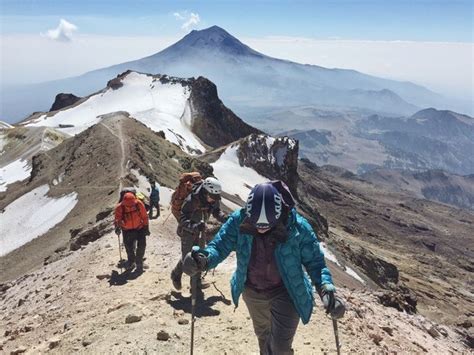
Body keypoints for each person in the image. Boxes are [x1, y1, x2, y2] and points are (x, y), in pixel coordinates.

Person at [182, 182, 345, 354]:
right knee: (264, 339)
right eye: (256, 225)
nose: (261, 229)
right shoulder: (238, 219)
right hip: (252, 292)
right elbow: (219, 246)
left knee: (279, 348)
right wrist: (203, 259)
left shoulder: (297, 226)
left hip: (287, 292)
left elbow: (315, 263)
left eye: (267, 225)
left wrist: (325, 289)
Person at [170, 177, 227, 291]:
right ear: (205, 192)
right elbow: (182, 218)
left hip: (201, 230)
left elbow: (216, 211)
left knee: (199, 256)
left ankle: (195, 284)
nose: (213, 200)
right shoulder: (192, 200)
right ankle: (176, 274)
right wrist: (195, 227)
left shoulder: (213, 198)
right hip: (188, 232)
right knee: (188, 257)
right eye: (212, 197)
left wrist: (224, 217)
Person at [114, 192, 150, 273]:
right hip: (127, 230)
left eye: (131, 205)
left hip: (139, 228)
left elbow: (144, 216)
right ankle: (132, 261)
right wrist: (117, 227)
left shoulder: (139, 204)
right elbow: (117, 219)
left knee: (142, 245)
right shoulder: (119, 208)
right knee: (129, 248)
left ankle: (138, 261)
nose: (130, 207)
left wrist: (146, 227)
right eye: (128, 206)